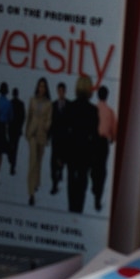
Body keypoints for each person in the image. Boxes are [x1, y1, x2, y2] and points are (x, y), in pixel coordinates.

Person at [59, 78, 101, 214]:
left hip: (71, 151)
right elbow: (95, 137)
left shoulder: (70, 107)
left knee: (71, 182)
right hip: (85, 152)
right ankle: (78, 210)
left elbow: (63, 133)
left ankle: (71, 208)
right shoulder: (93, 110)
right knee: (82, 183)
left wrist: (61, 155)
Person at [24, 77, 53, 205]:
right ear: (37, 87)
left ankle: (36, 182)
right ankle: (31, 193)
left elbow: (49, 119)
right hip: (32, 133)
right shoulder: (32, 100)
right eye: (40, 86)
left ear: (46, 89)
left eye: (44, 86)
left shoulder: (49, 103)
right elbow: (28, 117)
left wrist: (46, 126)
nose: (41, 88)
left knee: (38, 161)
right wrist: (27, 132)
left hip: (42, 134)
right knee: (32, 161)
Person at [90, 84, 116, 211]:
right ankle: (98, 195)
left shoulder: (93, 109)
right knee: (102, 168)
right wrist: (112, 138)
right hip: (103, 142)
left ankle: (95, 186)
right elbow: (114, 128)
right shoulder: (110, 112)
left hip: (93, 141)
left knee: (94, 166)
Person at [48, 79, 71, 194]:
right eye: (59, 90)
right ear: (57, 91)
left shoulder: (69, 105)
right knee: (53, 162)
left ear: (65, 91)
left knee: (63, 160)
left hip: (66, 139)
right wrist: (48, 136)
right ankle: (54, 184)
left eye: (63, 90)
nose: (61, 92)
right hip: (55, 138)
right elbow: (50, 122)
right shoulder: (53, 105)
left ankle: (60, 172)